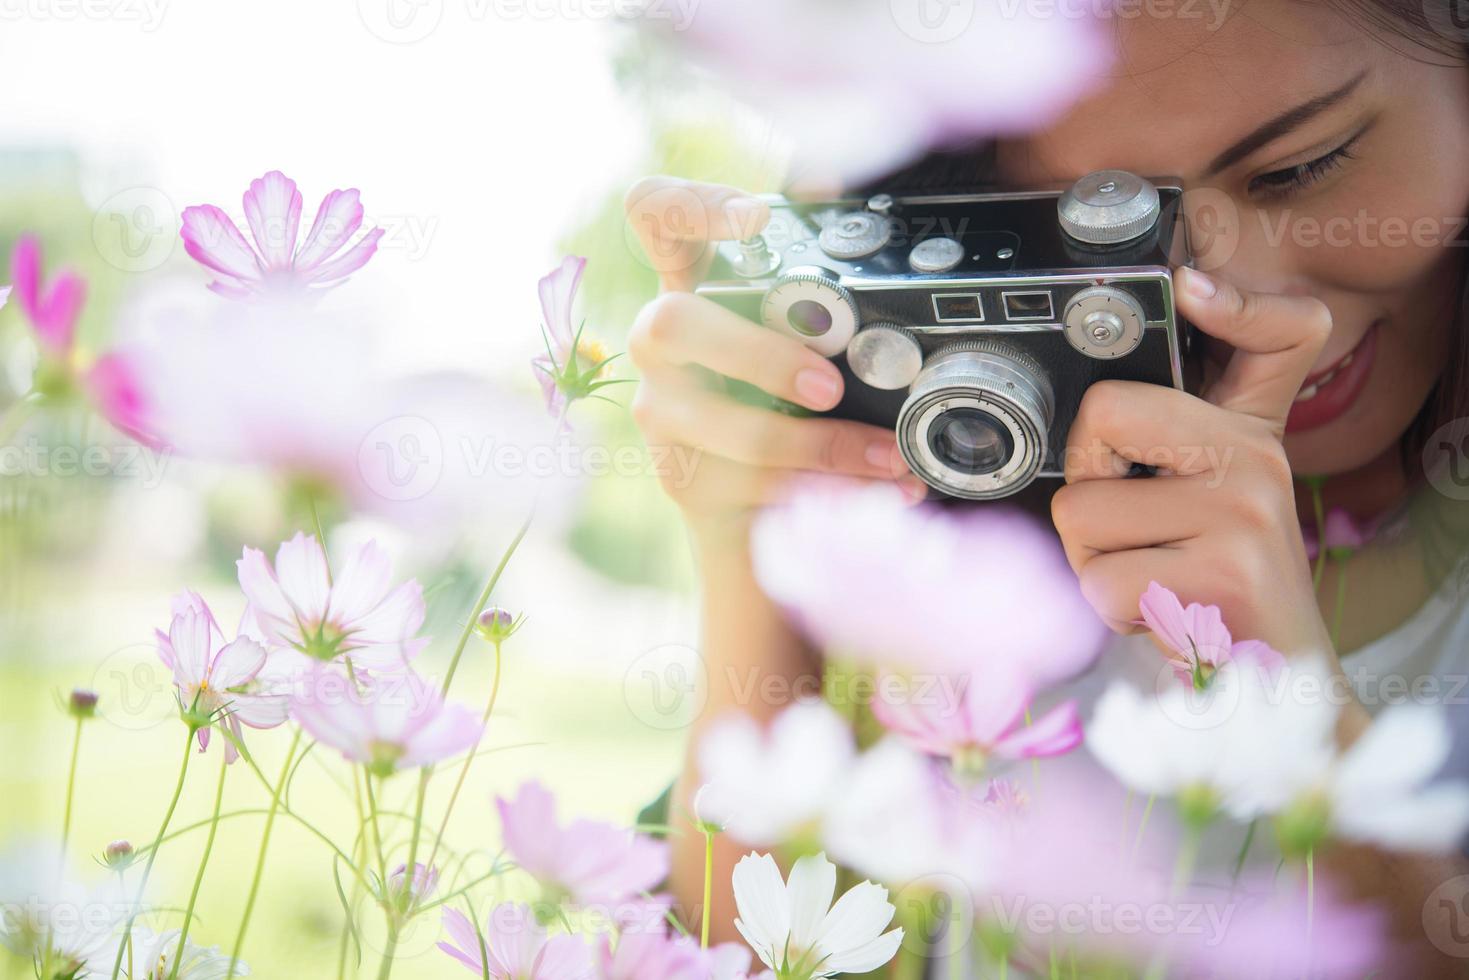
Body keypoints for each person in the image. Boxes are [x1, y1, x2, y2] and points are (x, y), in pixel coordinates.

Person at [624, 0, 1469, 969]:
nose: (1237, 299)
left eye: (1299, 169)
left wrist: (1292, 699)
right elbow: (761, 952)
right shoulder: (952, 568)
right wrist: (755, 544)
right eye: (1090, 235)